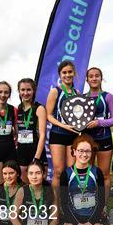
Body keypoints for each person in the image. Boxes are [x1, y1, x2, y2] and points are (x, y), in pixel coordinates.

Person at [83, 67, 113, 204]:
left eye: (97, 76)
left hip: (104, 138)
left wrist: (99, 122)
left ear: (101, 78)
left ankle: (103, 205)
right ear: (87, 80)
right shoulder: (82, 97)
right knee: (87, 173)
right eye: (91, 76)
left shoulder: (107, 97)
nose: (94, 78)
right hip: (87, 139)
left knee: (104, 174)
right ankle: (88, 202)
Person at [46, 60, 80, 190]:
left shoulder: (77, 93)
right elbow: (49, 115)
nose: (67, 75)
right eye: (64, 72)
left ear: (74, 73)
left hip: (73, 135)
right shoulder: (55, 91)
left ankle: (68, 203)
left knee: (71, 171)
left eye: (70, 72)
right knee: (58, 171)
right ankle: (56, 205)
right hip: (58, 135)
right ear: (60, 75)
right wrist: (63, 125)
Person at [16, 78, 48, 183]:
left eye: (28, 90)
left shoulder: (39, 108)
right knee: (26, 185)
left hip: (36, 150)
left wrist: (37, 158)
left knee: (40, 184)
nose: (25, 93)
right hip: (22, 151)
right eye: (23, 90)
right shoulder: (18, 108)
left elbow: (43, 135)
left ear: (33, 91)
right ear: (19, 91)